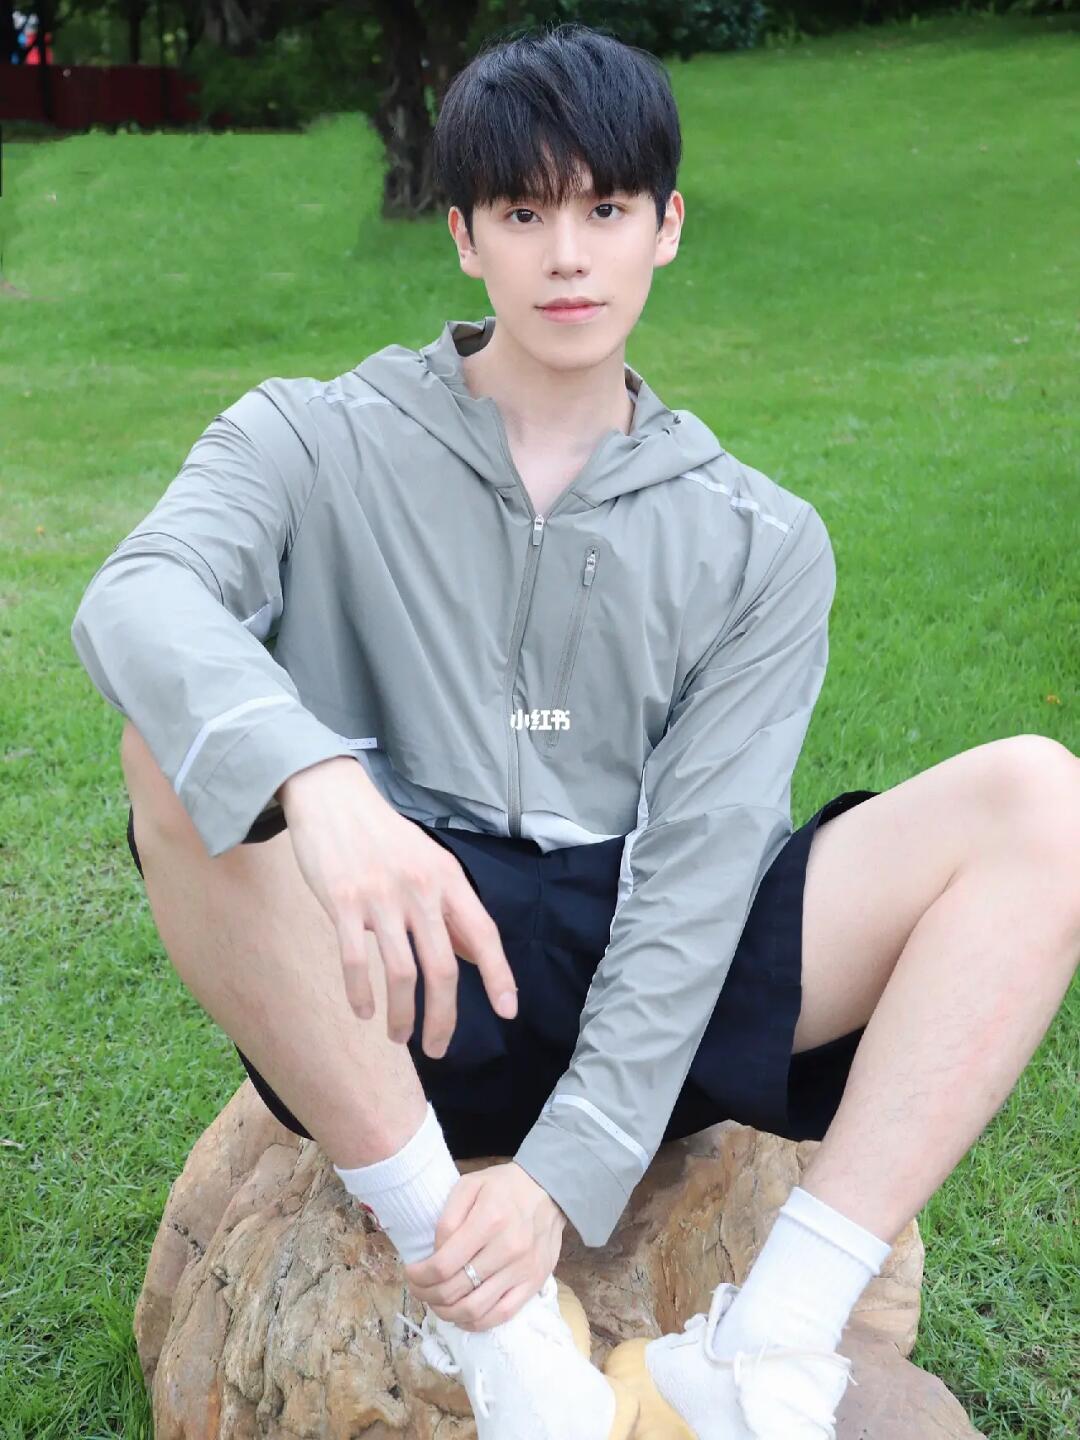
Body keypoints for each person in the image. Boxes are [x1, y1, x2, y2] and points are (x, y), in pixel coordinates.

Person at [69, 22, 1080, 1440]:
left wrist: (566, 1174)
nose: (567, 257)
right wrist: (320, 783)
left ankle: (769, 1342)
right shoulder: (308, 437)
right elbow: (137, 596)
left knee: (1044, 799)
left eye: (605, 210)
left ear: (667, 226)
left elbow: (703, 872)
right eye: (523, 213)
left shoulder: (761, 538)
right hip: (406, 977)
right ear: (462, 236)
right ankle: (487, 1323)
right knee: (173, 757)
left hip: (661, 972)